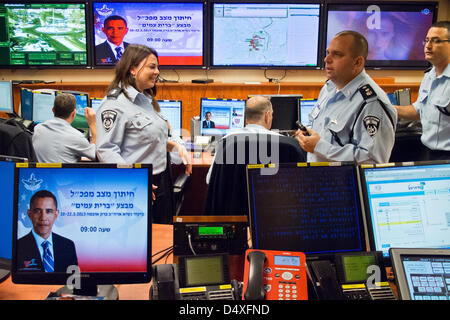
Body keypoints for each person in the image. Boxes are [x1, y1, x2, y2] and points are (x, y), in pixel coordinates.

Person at [95, 44, 191, 224]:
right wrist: (135, 182)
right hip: (136, 184)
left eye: (157, 67)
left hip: (161, 179)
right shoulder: (114, 104)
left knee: (163, 236)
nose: (157, 72)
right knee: (145, 244)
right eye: (152, 67)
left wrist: (177, 147)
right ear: (132, 68)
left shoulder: (146, 99)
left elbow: (151, 138)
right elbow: (105, 149)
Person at [296, 30, 397, 164]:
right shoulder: (328, 88)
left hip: (346, 182)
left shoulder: (371, 103)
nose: (327, 59)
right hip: (317, 174)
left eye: (337, 54)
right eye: (328, 53)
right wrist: (305, 135)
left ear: (357, 63)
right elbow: (317, 127)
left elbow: (373, 160)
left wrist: (320, 147)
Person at [394, 21, 450, 160]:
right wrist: (386, 107)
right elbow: (418, 110)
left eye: (436, 41)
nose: (428, 46)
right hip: (428, 153)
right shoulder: (429, 76)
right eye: (427, 40)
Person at [206, 95, 283, 184]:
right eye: (272, 114)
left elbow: (210, 180)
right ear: (267, 115)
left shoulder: (227, 140)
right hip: (269, 196)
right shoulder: (283, 143)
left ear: (246, 117)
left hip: (233, 197)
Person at [16, 190, 78, 273]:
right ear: (29, 214)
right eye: (38, 211)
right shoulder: (18, 247)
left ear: (56, 215)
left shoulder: (68, 246)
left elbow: (74, 282)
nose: (43, 218)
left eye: (49, 211)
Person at [32, 93, 97, 163]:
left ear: (53, 110)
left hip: (40, 173)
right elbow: (96, 155)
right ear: (74, 113)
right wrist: (92, 124)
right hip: (63, 174)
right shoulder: (76, 136)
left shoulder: (38, 129)